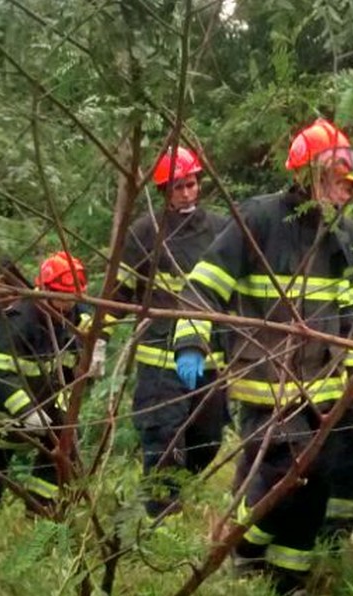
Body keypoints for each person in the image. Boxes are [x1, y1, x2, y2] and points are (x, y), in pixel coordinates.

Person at [173, 119, 353, 596]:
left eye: (345, 181)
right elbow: (204, 285)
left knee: (317, 480)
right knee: (283, 468)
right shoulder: (257, 221)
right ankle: (239, 548)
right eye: (330, 179)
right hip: (263, 382)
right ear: (304, 177)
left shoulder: (343, 233)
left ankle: (287, 582)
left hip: (322, 387)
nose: (340, 191)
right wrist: (192, 342)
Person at [105, 145, 230, 524]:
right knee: (162, 438)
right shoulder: (145, 233)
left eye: (191, 184)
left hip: (209, 357)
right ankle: (161, 520)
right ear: (163, 191)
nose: (187, 193)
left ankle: (178, 488)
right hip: (159, 360)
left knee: (208, 438)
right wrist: (97, 341)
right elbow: (120, 293)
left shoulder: (221, 229)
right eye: (178, 187)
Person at [0, 252, 89, 527]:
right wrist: (27, 410)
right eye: (63, 297)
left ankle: (40, 519)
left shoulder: (71, 313)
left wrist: (95, 347)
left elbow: (88, 322)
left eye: (73, 297)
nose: (68, 305)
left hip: (47, 406)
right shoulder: (18, 322)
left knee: (61, 456)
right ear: (45, 290)